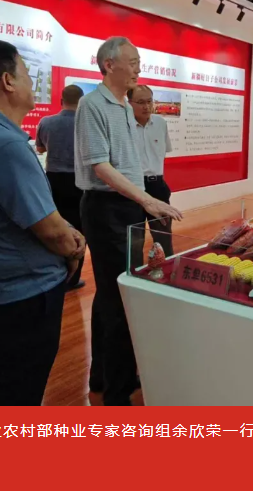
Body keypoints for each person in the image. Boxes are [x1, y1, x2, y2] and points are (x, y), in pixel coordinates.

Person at [0, 39, 85, 406]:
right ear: (7, 81)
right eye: (25, 73)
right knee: (15, 394)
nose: (32, 82)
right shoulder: (4, 146)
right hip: (22, 298)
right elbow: (52, 231)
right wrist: (75, 247)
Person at [75, 36, 183, 406]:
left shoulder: (123, 105)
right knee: (120, 296)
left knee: (114, 292)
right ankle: (118, 392)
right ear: (109, 65)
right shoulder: (93, 105)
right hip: (107, 208)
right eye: (133, 61)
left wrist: (143, 200)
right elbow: (100, 166)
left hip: (126, 206)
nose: (139, 67)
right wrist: (146, 199)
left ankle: (106, 376)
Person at [36, 84, 86, 291]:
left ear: (60, 101)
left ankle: (55, 275)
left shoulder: (46, 122)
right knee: (79, 230)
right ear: (82, 102)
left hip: (54, 180)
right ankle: (73, 279)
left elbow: (40, 148)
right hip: (80, 181)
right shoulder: (87, 123)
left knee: (55, 226)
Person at [128, 84, 175, 258]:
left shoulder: (160, 123)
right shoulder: (124, 125)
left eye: (149, 101)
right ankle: (135, 272)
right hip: (133, 188)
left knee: (163, 236)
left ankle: (167, 270)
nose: (146, 106)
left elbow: (163, 152)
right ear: (129, 102)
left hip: (157, 187)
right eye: (141, 102)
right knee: (134, 240)